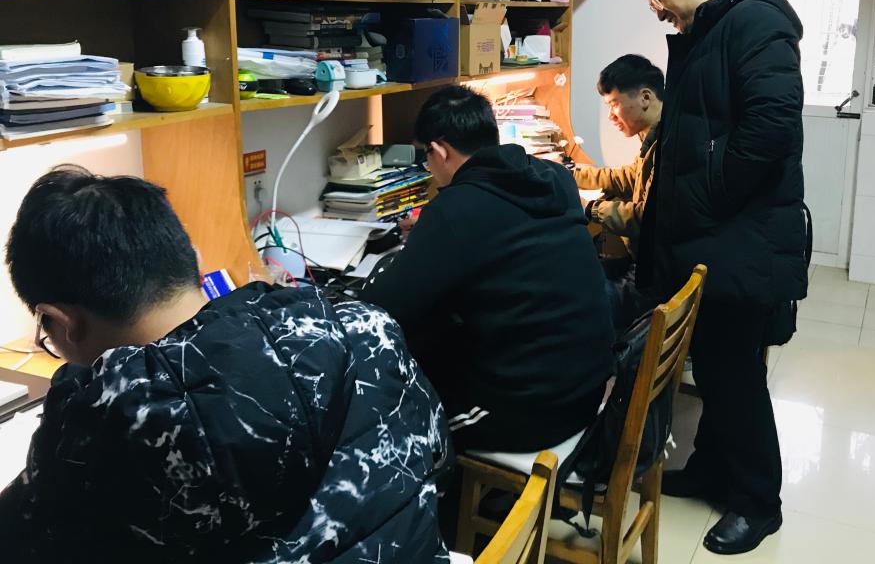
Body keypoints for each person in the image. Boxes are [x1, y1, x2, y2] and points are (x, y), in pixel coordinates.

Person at [1, 167, 451, 563]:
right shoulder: (365, 328)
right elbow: (437, 456)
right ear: (195, 263)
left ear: (62, 322)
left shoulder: (107, 423)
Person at [637, 0, 807, 555]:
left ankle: (759, 503)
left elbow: (771, 127)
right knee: (713, 367)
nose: (658, 11)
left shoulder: (754, 22)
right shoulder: (708, 32)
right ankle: (712, 468)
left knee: (735, 376)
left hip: (742, 236)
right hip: (716, 237)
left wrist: (707, 196)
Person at [362, 85, 613, 454]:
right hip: (587, 389)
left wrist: (413, 249)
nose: (429, 169)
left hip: (530, 415)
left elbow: (382, 307)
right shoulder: (555, 177)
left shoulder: (454, 210)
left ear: (439, 151)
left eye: (426, 158)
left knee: (387, 404)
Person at [573, 54, 663, 329]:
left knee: (571, 292)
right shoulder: (656, 134)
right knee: (576, 275)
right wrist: (572, 175)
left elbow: (646, 218)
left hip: (652, 277)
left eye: (614, 104)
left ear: (645, 97)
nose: (611, 116)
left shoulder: (668, 145)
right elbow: (629, 177)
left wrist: (590, 208)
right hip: (647, 263)